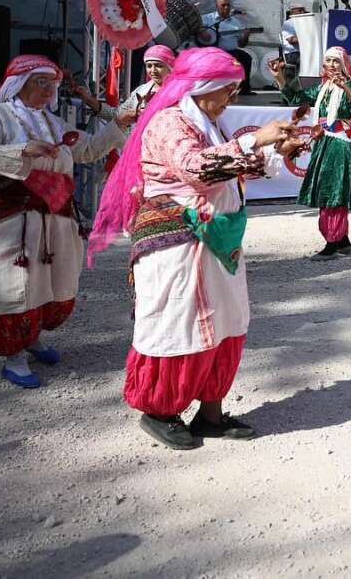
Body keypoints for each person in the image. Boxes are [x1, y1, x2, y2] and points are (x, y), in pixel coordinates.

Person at [90, 48, 298, 449]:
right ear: (204, 88)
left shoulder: (206, 122)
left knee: (226, 320)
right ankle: (160, 410)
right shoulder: (170, 122)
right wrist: (256, 138)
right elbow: (196, 169)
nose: (231, 99)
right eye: (227, 91)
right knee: (180, 323)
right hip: (177, 243)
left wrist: (275, 151)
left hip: (215, 242)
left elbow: (225, 169)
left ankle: (210, 413)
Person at [0, 56, 131, 387]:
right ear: (19, 83)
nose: (50, 90)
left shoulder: (54, 123)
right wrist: (23, 151)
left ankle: (34, 338)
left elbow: (89, 150)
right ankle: (15, 355)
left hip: (54, 214)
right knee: (15, 283)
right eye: (42, 82)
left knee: (50, 280)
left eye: (53, 84)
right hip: (11, 217)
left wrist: (118, 123)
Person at [272, 47, 351, 259]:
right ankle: (341, 240)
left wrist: (347, 88)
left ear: (343, 65)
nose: (331, 65)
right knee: (326, 189)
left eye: (335, 61)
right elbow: (297, 97)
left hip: (339, 144)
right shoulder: (322, 88)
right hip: (324, 142)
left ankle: (332, 242)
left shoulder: (349, 85)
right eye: (328, 61)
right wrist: (280, 78)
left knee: (333, 191)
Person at [201, 0, 253, 94]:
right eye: (223, 5)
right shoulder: (207, 19)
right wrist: (202, 31)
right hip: (211, 51)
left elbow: (242, 44)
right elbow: (196, 27)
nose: (226, 8)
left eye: (228, 5)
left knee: (246, 57)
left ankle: (244, 88)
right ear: (216, 6)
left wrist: (245, 37)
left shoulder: (236, 23)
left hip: (230, 52)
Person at [280, 6, 307, 83]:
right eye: (300, 10)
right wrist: (307, 39)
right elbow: (291, 40)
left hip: (301, 52)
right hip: (292, 53)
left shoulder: (304, 23)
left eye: (303, 10)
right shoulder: (289, 23)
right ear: (293, 12)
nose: (303, 12)